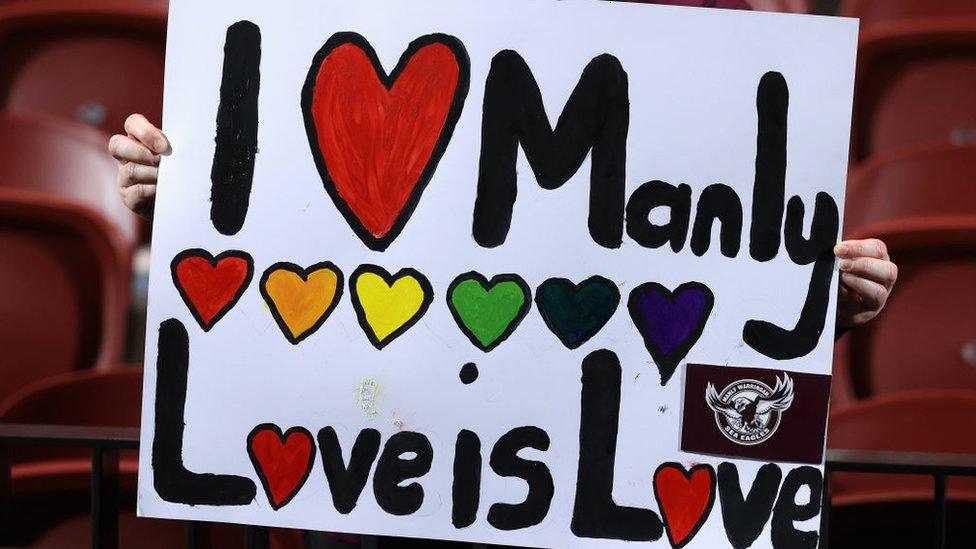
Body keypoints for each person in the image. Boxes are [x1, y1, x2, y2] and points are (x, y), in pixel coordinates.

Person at [109, 113, 897, 334]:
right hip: (378, 491)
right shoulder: (340, 24)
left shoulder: (710, 32)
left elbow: (734, 255)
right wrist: (181, 186)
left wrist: (834, 295)